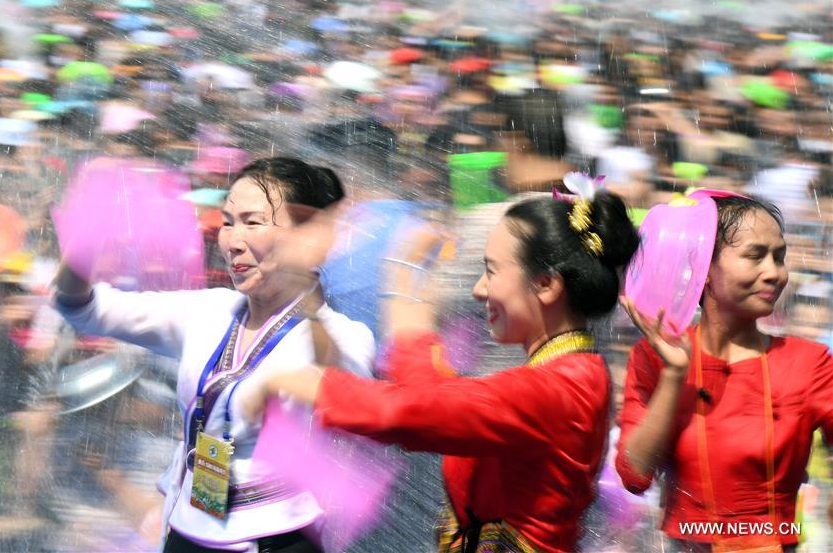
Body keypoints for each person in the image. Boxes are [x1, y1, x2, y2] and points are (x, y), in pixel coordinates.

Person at [245, 180, 640, 552]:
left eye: (492, 270)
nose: (478, 289)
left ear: (546, 284)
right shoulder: (566, 373)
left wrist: (314, 385)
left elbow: (414, 412)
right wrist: (408, 308)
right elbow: (439, 401)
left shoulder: (556, 389)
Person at [53, 157, 375, 553]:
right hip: (192, 523)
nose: (232, 240)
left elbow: (343, 394)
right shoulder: (208, 310)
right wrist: (86, 240)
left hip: (279, 537)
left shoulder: (344, 335)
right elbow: (80, 307)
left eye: (252, 222)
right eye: (227, 221)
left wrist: (304, 285)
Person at [616, 194, 833, 552]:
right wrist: (674, 375)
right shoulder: (655, 356)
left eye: (779, 256)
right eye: (755, 255)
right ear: (703, 269)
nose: (775, 272)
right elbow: (634, 475)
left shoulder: (807, 362)